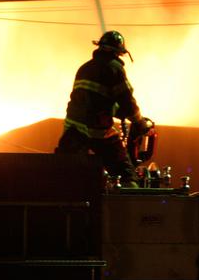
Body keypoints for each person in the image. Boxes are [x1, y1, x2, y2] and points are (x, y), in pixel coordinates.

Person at [56, 30, 150, 187]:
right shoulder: (114, 69)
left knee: (65, 174)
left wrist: (116, 111)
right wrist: (139, 122)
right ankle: (128, 203)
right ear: (118, 52)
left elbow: (93, 98)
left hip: (73, 130)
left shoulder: (84, 68)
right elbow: (127, 101)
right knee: (125, 173)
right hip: (98, 131)